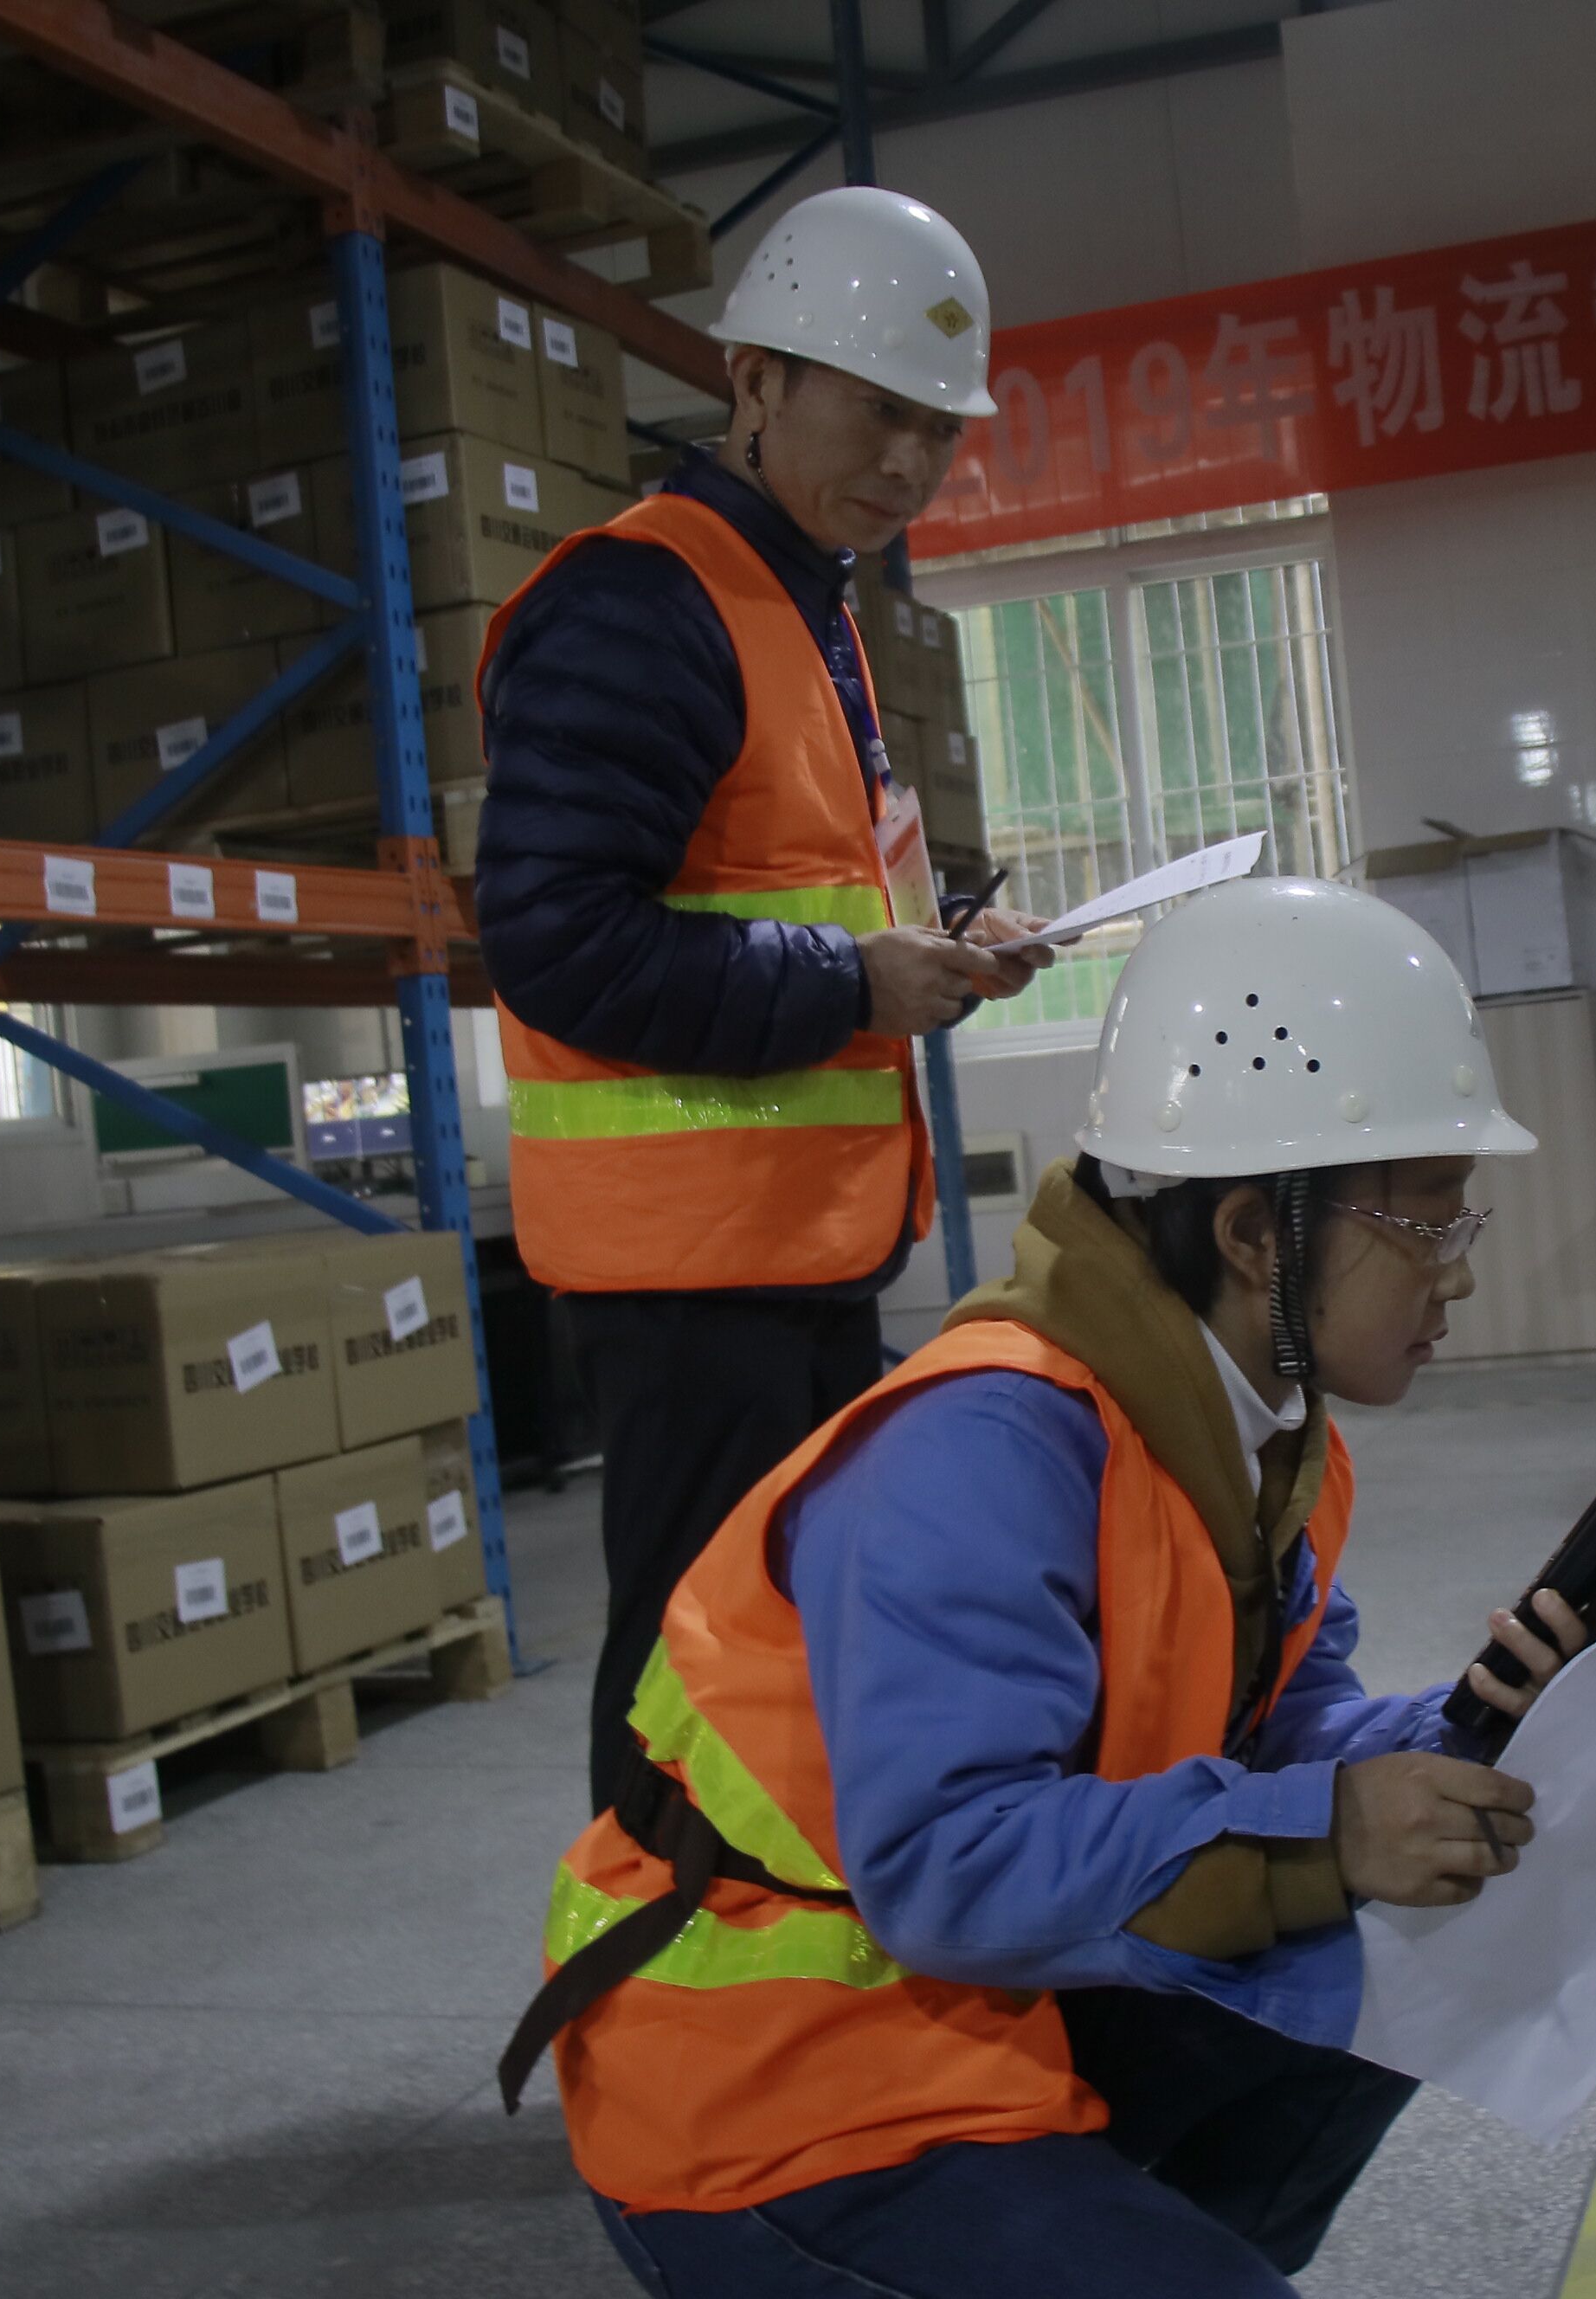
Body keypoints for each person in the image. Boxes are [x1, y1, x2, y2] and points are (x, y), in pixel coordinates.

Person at [497, 875, 1596, 2296]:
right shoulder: (984, 1449)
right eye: (1427, 1227)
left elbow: (1274, 1733)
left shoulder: (1262, 1436)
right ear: (1254, 1233)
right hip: (779, 2079)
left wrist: (1463, 1734)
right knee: (1340, 1904)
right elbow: (949, 1867)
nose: (1455, 1279)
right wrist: (1330, 1832)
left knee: (1430, 1924)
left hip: (986, 2002)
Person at [471, 185, 1053, 1811]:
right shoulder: (640, 602)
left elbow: (780, 891)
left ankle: (766, 1960)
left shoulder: (796, 599)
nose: (910, 463)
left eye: (938, 430)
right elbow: (558, 939)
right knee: (696, 1685)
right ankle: (656, 1958)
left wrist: (937, 941)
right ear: (755, 382)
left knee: (788, 1668)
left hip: (792, 1256)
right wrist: (853, 981)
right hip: (689, 1281)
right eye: (877, 412)